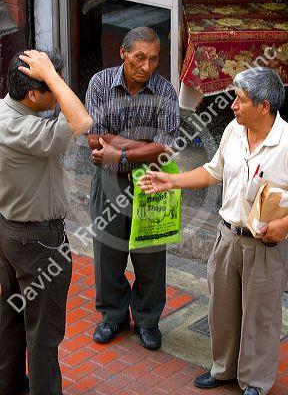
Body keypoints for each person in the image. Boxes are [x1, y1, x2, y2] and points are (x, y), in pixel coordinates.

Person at [138, 67, 287, 394]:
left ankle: (256, 382)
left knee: (260, 317)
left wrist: (283, 224)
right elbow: (213, 171)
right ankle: (223, 369)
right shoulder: (235, 130)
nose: (232, 106)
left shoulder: (286, 142)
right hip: (227, 236)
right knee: (221, 308)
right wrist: (172, 181)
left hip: (266, 245)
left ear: (264, 106)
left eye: (240, 100)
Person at [0, 50, 92, 395]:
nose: (58, 92)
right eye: (52, 86)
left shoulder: (3, 111)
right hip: (39, 242)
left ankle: (8, 386)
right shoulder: (30, 131)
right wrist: (51, 74)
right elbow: (82, 121)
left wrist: (47, 72)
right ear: (34, 94)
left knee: (10, 319)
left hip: (8, 232)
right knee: (43, 334)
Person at [86, 26, 180, 350]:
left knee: (150, 255)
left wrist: (120, 151)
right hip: (109, 181)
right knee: (108, 253)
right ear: (123, 53)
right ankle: (113, 316)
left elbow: (167, 147)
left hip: (152, 183)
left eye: (154, 59)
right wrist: (143, 145)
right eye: (140, 57)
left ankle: (147, 320)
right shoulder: (99, 84)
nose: (147, 66)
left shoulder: (166, 91)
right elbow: (92, 137)